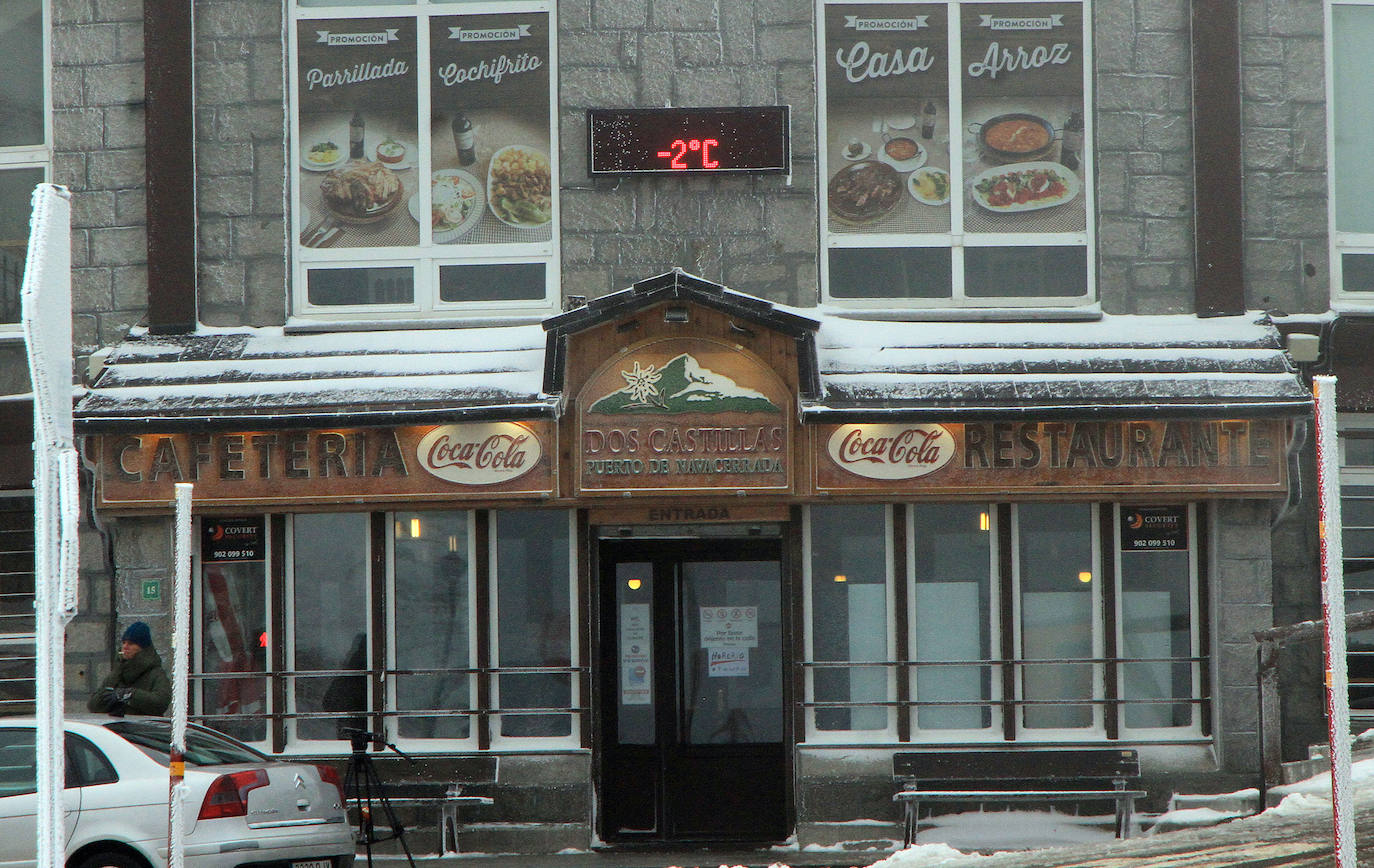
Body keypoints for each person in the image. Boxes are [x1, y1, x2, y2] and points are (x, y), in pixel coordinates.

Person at [87, 621, 172, 716]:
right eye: (124, 643)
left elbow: (160, 703)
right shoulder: (118, 672)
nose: (125, 647)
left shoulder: (155, 673)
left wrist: (130, 695)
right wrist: (117, 672)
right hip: (114, 728)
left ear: (142, 648)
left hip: (143, 729)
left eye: (131, 644)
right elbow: (93, 706)